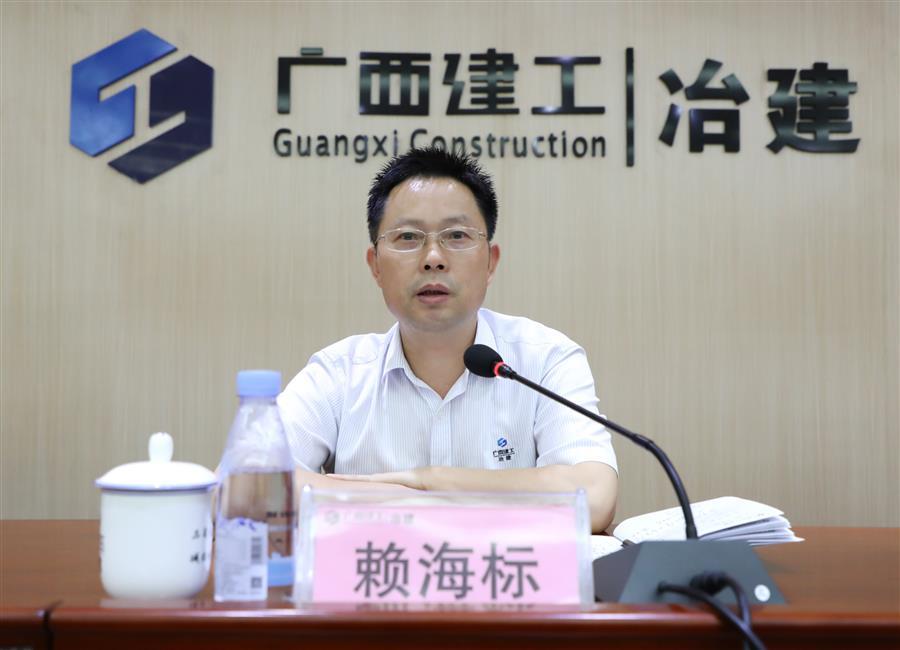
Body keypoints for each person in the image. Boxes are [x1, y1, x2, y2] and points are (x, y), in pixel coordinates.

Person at [278, 147, 618, 532]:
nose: (433, 258)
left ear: (490, 262)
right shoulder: (338, 375)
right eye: (408, 236)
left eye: (456, 235)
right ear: (375, 266)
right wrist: (421, 498)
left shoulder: (546, 360)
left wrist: (429, 480)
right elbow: (252, 484)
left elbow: (594, 496)